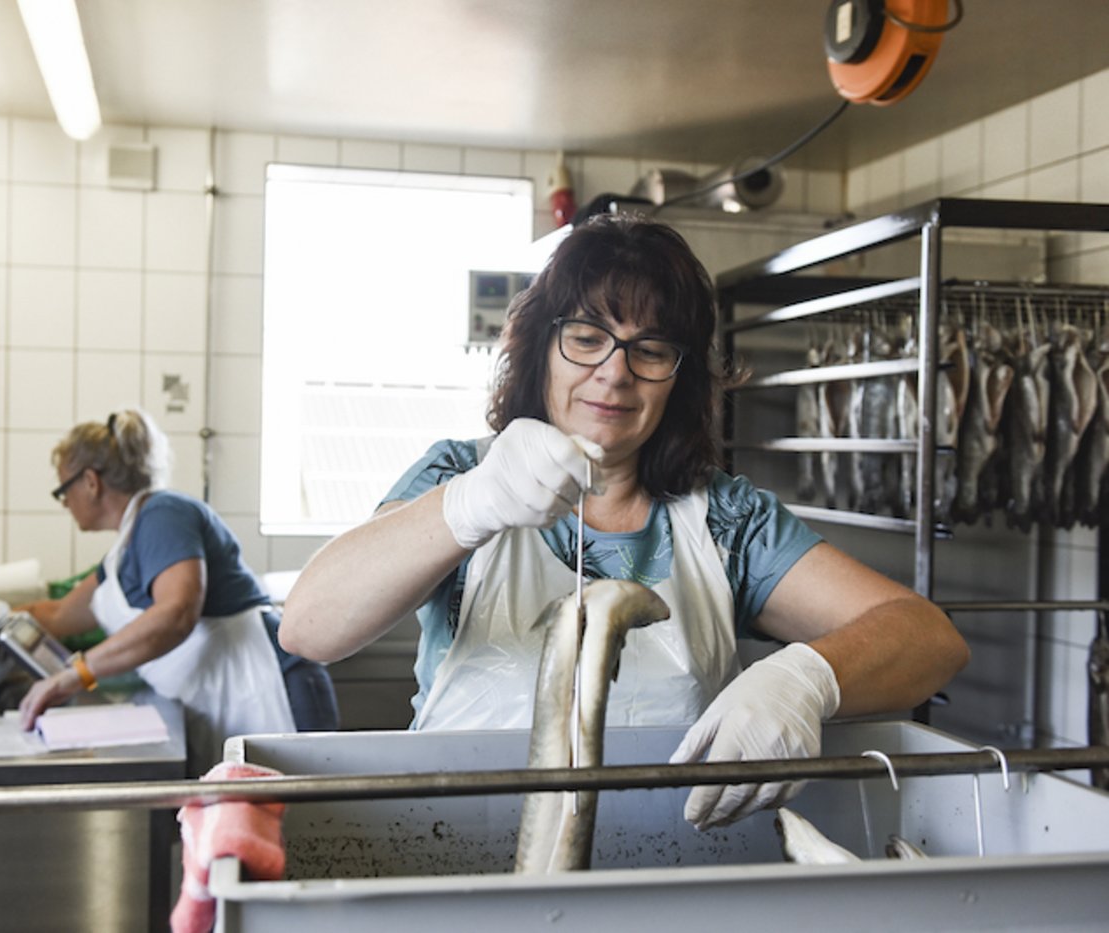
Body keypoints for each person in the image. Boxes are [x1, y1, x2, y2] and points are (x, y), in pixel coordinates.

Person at [280, 215, 969, 831]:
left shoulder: (728, 522)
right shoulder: (459, 477)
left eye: (651, 349)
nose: (614, 373)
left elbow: (930, 638)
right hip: (454, 848)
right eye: (587, 337)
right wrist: (469, 505)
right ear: (540, 348)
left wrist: (806, 679)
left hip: (667, 864)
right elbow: (309, 628)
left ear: (682, 377)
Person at [15, 409, 337, 775]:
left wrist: (77, 673)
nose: (64, 503)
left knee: (300, 806)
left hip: (269, 685)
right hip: (225, 693)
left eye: (63, 491)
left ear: (90, 482)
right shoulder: (122, 552)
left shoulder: (164, 514)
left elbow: (176, 613)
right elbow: (59, 614)